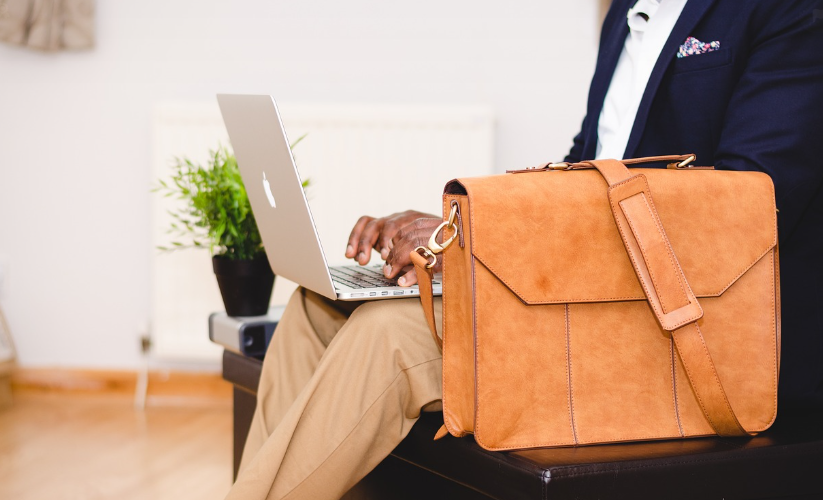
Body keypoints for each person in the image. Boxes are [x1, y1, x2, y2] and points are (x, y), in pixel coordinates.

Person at [227, 1, 823, 498]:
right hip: (591, 299)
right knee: (314, 310)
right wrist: (457, 232)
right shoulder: (624, 13)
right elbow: (582, 170)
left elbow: (744, 210)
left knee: (389, 336)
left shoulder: (791, 12)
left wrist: (477, 235)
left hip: (688, 329)